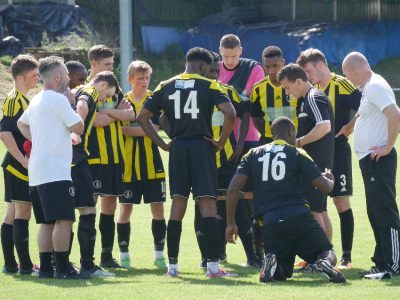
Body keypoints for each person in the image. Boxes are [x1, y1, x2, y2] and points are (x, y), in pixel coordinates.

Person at [137, 47, 236, 277]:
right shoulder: (209, 85)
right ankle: (212, 267)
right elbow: (230, 113)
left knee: (178, 205)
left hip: (179, 148)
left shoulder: (165, 85)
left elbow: (142, 117)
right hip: (202, 147)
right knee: (208, 204)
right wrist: (220, 142)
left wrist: (163, 144)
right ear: (202, 66)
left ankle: (172, 267)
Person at [225, 116, 346, 284]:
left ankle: (270, 262)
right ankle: (324, 263)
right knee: (326, 251)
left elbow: (233, 189)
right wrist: (330, 179)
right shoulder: (297, 152)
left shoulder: (252, 154)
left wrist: (231, 223)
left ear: (273, 133)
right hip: (299, 216)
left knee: (281, 273)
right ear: (290, 132)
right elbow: (324, 186)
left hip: (271, 222)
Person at [17, 56, 85, 279]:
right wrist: (73, 103)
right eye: (65, 74)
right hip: (55, 170)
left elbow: (21, 124)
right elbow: (79, 126)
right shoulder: (58, 100)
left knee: (46, 222)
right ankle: (63, 268)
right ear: (57, 76)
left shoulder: (36, 99)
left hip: (37, 171)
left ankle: (46, 268)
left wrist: (39, 138)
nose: (68, 77)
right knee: (64, 219)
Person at [297, 48, 361, 269]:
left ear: (320, 65)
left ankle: (346, 257)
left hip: (339, 152)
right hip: (320, 155)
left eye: (308, 70)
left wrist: (349, 127)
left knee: (341, 202)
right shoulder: (312, 90)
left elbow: (365, 104)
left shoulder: (341, 83)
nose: (307, 75)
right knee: (319, 207)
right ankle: (323, 255)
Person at [342, 52, 400, 279]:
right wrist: (350, 127)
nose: (349, 79)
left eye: (348, 75)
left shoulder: (375, 86)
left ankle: (394, 262)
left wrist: (387, 146)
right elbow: (365, 113)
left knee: (384, 210)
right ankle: (382, 260)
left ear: (356, 69)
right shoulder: (368, 88)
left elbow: (395, 114)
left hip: (379, 159)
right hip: (369, 160)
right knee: (375, 211)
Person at [191, 51, 248, 268]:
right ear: (203, 69)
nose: (214, 74)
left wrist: (240, 142)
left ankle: (252, 256)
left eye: (217, 70)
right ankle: (207, 257)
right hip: (201, 160)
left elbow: (243, 113)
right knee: (201, 206)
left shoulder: (227, 91)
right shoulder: (193, 94)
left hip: (226, 158)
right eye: (211, 70)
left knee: (235, 204)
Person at [85, 45, 134, 268]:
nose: (111, 69)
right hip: (94, 158)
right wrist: (115, 113)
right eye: (107, 65)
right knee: (89, 207)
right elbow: (95, 121)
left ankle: (106, 256)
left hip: (115, 157)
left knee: (110, 207)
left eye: (112, 65)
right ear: (93, 64)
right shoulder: (84, 91)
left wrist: (107, 112)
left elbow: (131, 113)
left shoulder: (115, 87)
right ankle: (87, 259)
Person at [278, 64, 335, 252]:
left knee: (314, 212)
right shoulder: (304, 100)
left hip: (316, 164)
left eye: (287, 87)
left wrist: (298, 142)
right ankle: (326, 255)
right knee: (320, 210)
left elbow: (324, 126)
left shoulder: (314, 97)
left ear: (299, 81)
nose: (287, 92)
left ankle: (320, 257)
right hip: (314, 164)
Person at [219, 33, 264, 266]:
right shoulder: (214, 69)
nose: (230, 60)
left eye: (234, 55)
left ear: (241, 51)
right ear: (220, 52)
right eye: (226, 56)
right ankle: (220, 252)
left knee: (249, 199)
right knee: (221, 195)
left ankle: (256, 255)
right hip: (222, 141)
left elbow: (249, 106)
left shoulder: (254, 69)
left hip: (247, 141)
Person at [250, 46, 298, 259]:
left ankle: (297, 249)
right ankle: (259, 250)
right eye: (267, 66)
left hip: (295, 150)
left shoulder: (295, 86)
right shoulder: (259, 88)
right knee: (263, 198)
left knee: (294, 197)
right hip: (268, 148)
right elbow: (255, 116)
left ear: (283, 63)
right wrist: (267, 136)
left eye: (275, 66)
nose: (271, 70)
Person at [118, 60, 167, 269]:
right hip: (127, 166)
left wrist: (131, 128)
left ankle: (159, 254)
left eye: (147, 78)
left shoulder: (153, 100)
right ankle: (124, 255)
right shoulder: (122, 102)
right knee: (125, 210)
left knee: (158, 210)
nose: (144, 82)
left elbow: (155, 127)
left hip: (153, 165)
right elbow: (120, 129)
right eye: (140, 78)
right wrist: (144, 128)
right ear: (130, 79)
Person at [72, 71, 119, 277]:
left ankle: (60, 263)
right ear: (103, 85)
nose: (107, 99)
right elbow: (82, 106)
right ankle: (88, 266)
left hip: (68, 157)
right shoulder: (90, 91)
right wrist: (76, 130)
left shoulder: (77, 90)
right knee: (88, 210)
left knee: (66, 214)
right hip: (79, 156)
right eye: (109, 94)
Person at [0, 54, 39, 274]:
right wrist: (23, 160)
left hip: (18, 164)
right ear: (22, 76)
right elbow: (5, 133)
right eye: (34, 75)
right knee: (23, 212)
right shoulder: (15, 98)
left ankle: (10, 264)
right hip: (18, 165)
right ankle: (24, 266)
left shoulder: (24, 99)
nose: (37, 79)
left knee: (12, 213)